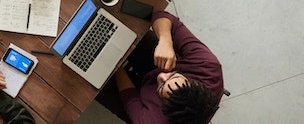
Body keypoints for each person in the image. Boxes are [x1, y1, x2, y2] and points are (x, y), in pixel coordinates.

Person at [95, 11, 224, 124]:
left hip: (139, 102)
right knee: (129, 24)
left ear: (164, 107)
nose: (161, 76)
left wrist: (114, 62)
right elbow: (163, 16)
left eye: (162, 86)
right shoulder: (207, 67)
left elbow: (129, 97)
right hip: (159, 63)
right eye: (173, 75)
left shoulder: (152, 121)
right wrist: (165, 41)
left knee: (94, 81)